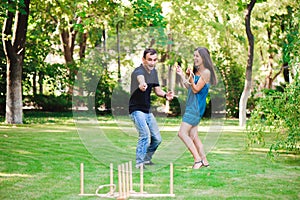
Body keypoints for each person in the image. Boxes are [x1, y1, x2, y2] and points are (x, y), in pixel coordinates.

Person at [129, 48, 174, 169]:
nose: (152, 63)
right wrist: (142, 85)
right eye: (149, 60)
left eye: (154, 60)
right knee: (145, 135)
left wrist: (165, 95)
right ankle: (139, 163)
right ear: (143, 59)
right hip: (136, 110)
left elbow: (157, 90)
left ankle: (147, 159)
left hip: (147, 110)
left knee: (157, 139)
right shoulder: (138, 71)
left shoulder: (154, 73)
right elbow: (141, 79)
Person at [176, 47, 217, 169]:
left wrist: (191, 76)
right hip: (192, 105)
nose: (195, 58)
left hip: (195, 108)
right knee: (193, 135)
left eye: (197, 56)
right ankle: (204, 160)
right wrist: (183, 75)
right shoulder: (198, 72)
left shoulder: (206, 72)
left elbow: (196, 89)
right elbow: (188, 87)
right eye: (194, 56)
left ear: (204, 58)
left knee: (182, 133)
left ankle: (197, 160)